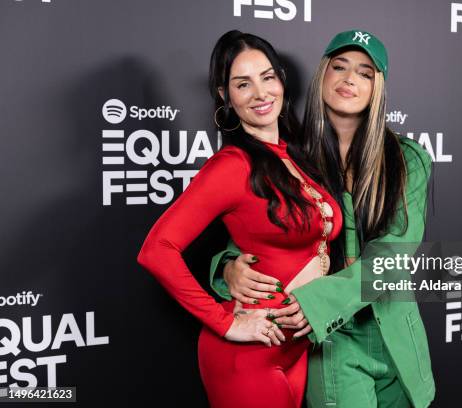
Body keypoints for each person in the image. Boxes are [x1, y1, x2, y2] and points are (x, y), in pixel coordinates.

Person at [211, 30, 435, 407]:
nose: (350, 79)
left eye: (365, 73)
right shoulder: (289, 160)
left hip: (397, 337)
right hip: (330, 343)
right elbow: (252, 238)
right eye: (340, 67)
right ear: (322, 75)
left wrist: (317, 300)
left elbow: (394, 256)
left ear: (378, 87)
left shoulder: (408, 158)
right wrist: (228, 268)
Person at [136, 30, 343, 408]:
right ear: (224, 96)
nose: (261, 94)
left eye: (267, 77)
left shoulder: (297, 156)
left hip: (295, 349)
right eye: (242, 84)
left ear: (281, 79)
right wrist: (226, 322)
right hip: (246, 359)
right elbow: (157, 250)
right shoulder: (232, 166)